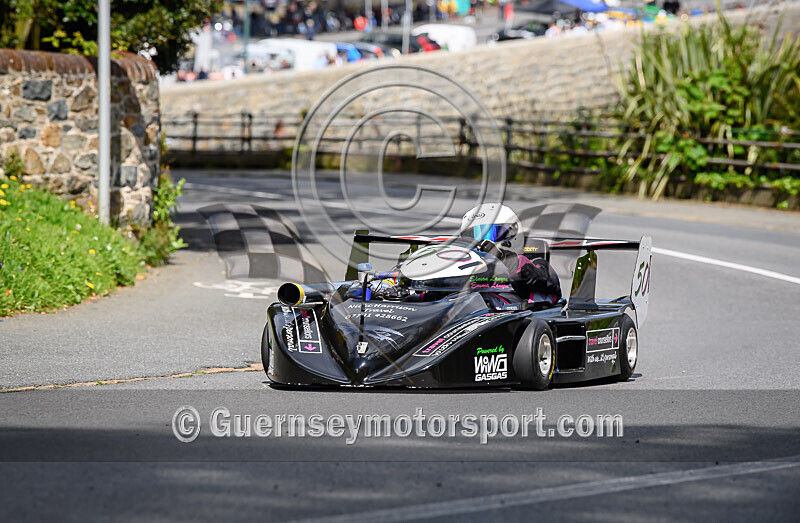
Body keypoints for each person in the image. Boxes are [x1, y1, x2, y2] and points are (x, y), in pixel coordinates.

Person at [459, 203, 561, 306]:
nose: (482, 243)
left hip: (511, 314)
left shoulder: (535, 264)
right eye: (473, 236)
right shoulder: (464, 267)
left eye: (491, 234)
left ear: (512, 233)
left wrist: (502, 257)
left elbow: (547, 281)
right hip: (466, 311)